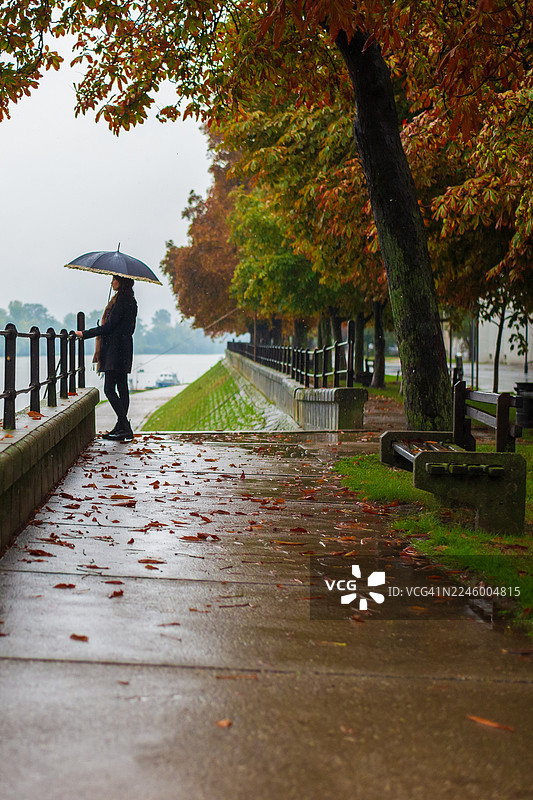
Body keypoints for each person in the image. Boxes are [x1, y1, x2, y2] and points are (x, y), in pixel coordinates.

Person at [76, 275, 138, 442]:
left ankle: (124, 426)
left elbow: (110, 327)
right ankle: (121, 426)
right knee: (122, 386)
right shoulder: (131, 300)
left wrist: (85, 334)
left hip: (115, 350)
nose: (111, 282)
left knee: (109, 389)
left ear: (121, 281)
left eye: (114, 279)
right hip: (124, 347)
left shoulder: (122, 301)